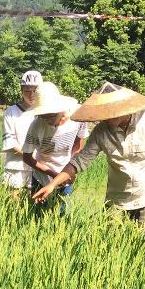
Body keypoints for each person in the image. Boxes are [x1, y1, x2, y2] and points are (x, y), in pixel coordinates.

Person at [32, 81, 145, 231]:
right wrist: (52, 185)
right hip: (116, 198)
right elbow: (79, 161)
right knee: (109, 236)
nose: (104, 119)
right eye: (102, 115)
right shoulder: (101, 131)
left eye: (108, 114)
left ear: (122, 108)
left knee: (143, 237)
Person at [22, 81, 88, 215]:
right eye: (43, 116)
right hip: (41, 178)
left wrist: (70, 171)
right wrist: (53, 174)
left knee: (62, 215)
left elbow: (78, 145)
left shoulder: (78, 117)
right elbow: (27, 157)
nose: (47, 120)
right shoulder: (36, 126)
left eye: (51, 115)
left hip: (66, 176)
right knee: (37, 215)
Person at [1, 70, 42, 199]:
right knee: (13, 203)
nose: (31, 95)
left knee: (34, 205)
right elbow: (10, 143)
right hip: (16, 167)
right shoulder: (11, 112)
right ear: (21, 91)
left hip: (39, 169)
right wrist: (31, 157)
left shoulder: (45, 112)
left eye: (35, 91)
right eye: (27, 91)